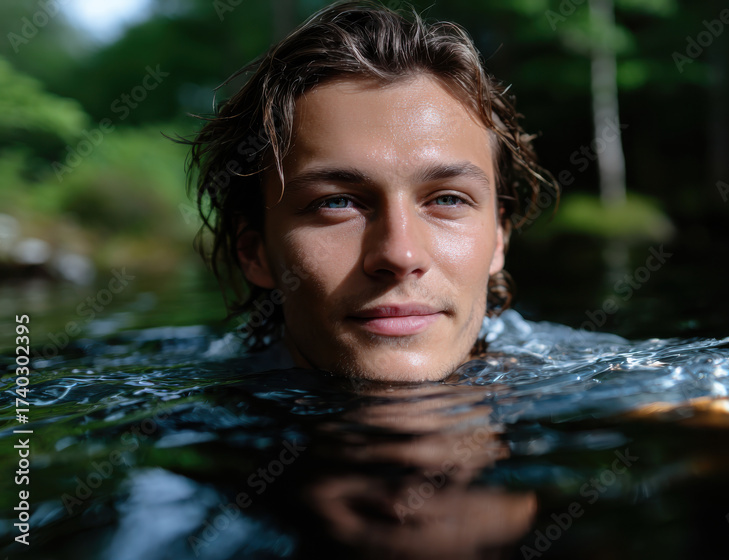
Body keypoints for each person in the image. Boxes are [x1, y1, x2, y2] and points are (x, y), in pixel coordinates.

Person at [185, 1, 556, 382]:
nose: (400, 254)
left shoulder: (602, 384)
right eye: (337, 202)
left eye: (447, 199)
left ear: (498, 238)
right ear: (255, 253)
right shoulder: (168, 412)